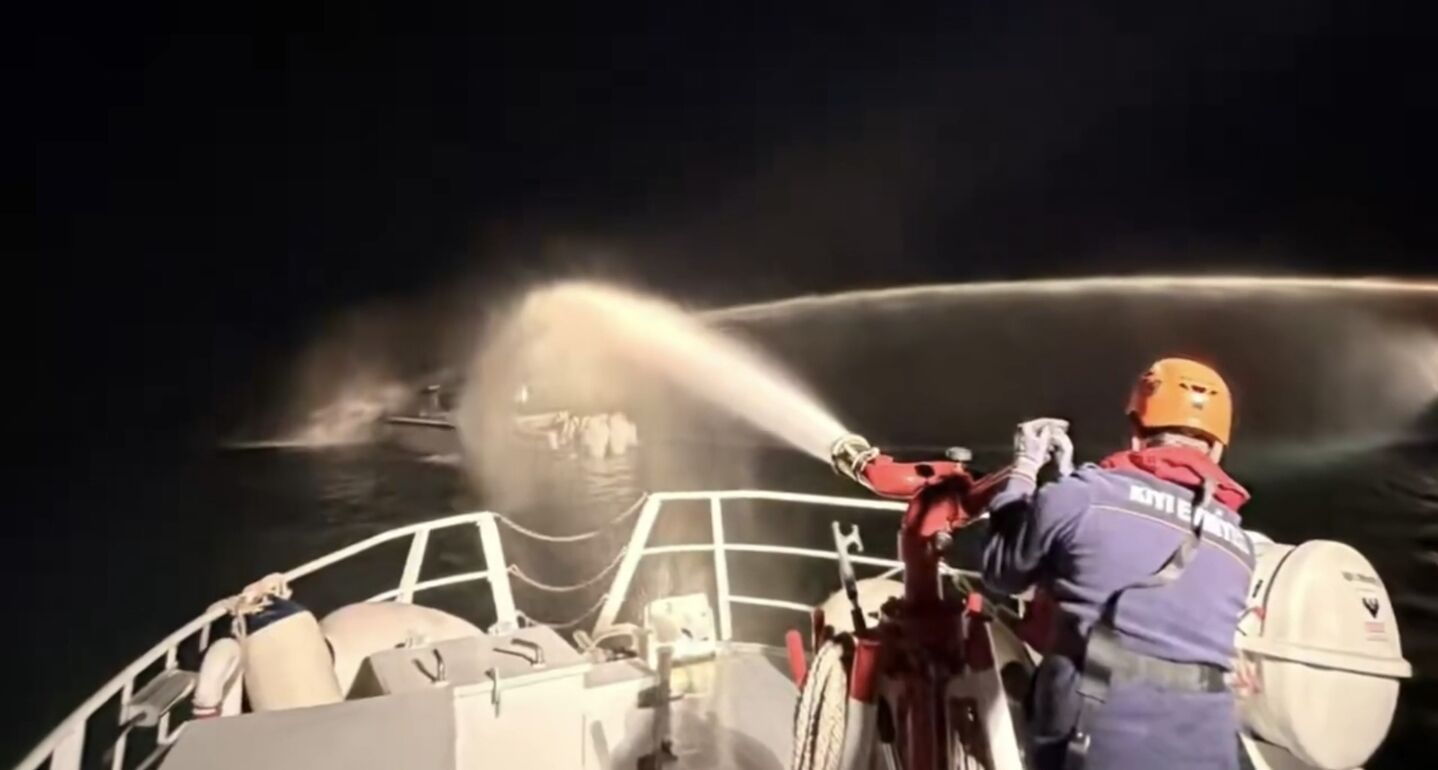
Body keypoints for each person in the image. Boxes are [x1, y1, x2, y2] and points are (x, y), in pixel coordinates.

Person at [982, 358, 1256, 770]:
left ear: (1136, 434)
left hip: (1095, 744)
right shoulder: (1238, 544)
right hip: (1208, 749)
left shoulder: (1082, 496)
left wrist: (1025, 470)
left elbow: (1002, 571)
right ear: (1217, 448)